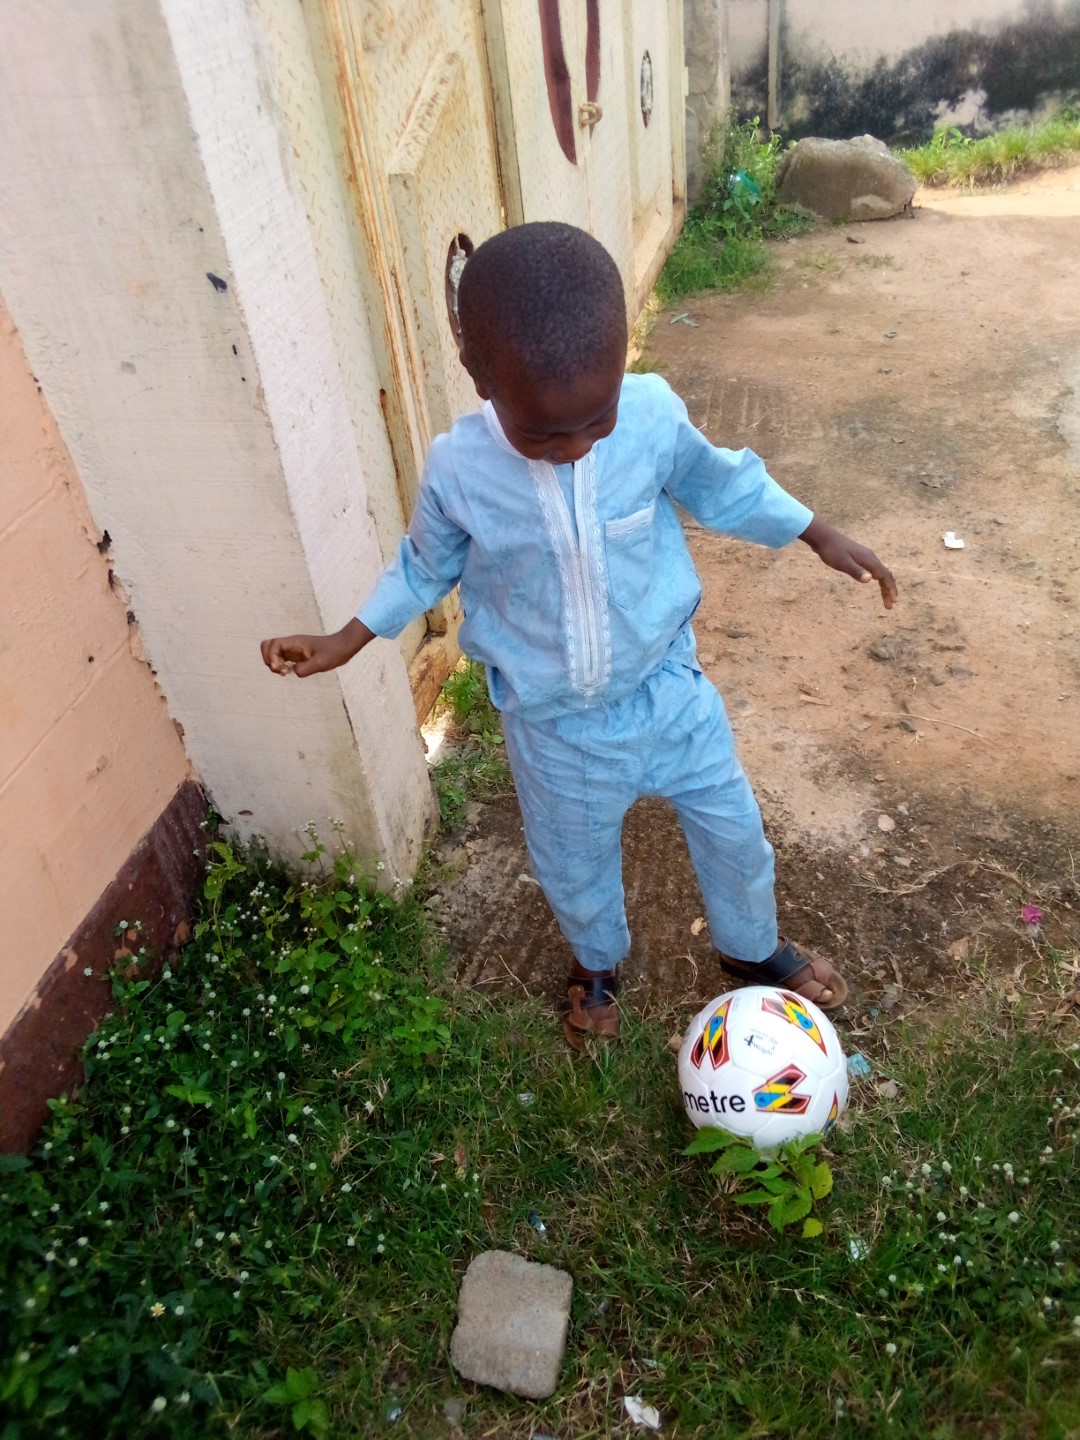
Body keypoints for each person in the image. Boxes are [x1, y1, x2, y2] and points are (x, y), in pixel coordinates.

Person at [261, 221, 896, 1049]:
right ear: (479, 375)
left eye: (595, 421)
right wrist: (347, 638)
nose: (571, 449)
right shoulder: (459, 470)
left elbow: (720, 484)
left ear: (624, 358)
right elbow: (424, 565)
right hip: (554, 725)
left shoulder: (650, 416)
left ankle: (750, 946)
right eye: (543, 434)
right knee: (574, 863)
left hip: (669, 692)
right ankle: (596, 962)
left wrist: (814, 531)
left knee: (735, 831)